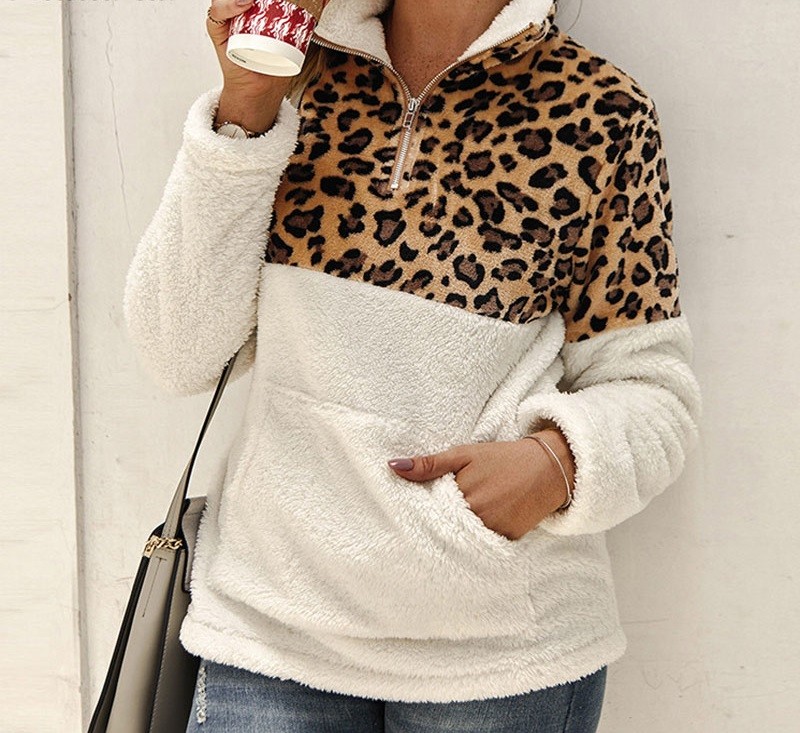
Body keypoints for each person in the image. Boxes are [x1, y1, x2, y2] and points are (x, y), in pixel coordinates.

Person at [122, 0, 703, 729]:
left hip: (501, 657)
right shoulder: (297, 80)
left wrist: (555, 464)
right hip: (270, 632)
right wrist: (245, 111)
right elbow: (177, 353)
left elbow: (653, 390)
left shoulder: (602, 113)